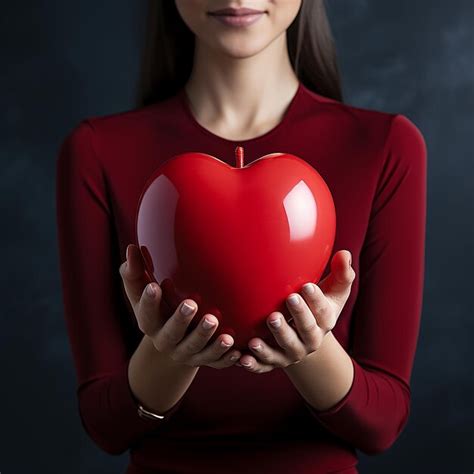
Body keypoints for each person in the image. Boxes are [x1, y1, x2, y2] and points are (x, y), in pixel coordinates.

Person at [55, 1, 427, 473]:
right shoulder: (96, 152)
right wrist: (167, 354)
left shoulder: (387, 147)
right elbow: (106, 426)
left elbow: (382, 423)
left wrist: (310, 350)